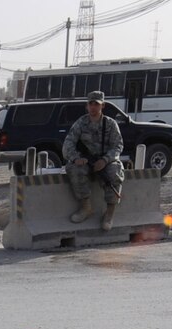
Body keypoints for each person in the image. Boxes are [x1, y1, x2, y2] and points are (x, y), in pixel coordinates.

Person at [62, 90, 125, 232]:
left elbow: (118, 146)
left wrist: (105, 160)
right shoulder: (81, 123)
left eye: (96, 104)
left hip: (106, 160)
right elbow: (68, 144)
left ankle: (109, 214)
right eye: (90, 104)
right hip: (86, 161)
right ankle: (86, 207)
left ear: (102, 106)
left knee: (114, 173)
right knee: (74, 169)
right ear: (87, 106)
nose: (93, 107)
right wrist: (76, 158)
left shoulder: (110, 124)